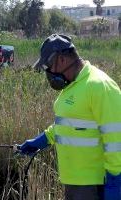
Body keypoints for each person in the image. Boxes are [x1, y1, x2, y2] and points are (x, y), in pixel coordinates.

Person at [15, 34, 121, 200]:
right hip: (75, 182)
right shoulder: (72, 86)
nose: (48, 72)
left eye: (48, 66)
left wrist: (115, 180)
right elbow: (69, 124)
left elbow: (116, 137)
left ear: (62, 59)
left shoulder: (99, 86)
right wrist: (42, 140)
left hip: (94, 185)